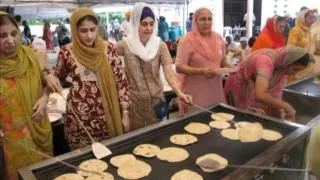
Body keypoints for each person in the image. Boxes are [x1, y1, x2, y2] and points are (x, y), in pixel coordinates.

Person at [45, 7, 130, 150]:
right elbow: (57, 77)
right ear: (74, 30)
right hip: (79, 122)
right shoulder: (67, 52)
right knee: (83, 164)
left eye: (92, 29)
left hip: (107, 118)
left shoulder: (108, 49)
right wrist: (49, 77)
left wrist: (125, 113)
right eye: (83, 31)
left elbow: (121, 82)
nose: (89, 36)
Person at [117, 3, 192, 130]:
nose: (149, 28)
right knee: (138, 142)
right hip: (135, 105)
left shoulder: (159, 45)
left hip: (157, 101)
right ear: (135, 24)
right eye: (144, 24)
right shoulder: (124, 45)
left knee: (159, 137)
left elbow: (170, 73)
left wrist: (179, 93)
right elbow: (116, 74)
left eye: (151, 24)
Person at [0, 11, 53, 180]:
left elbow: (46, 83)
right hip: (11, 141)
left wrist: (45, 98)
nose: (10, 40)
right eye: (2, 36)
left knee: (44, 173)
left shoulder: (29, 55)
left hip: (39, 129)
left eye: (14, 33)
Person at [224, 46, 311, 119]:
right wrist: (286, 106)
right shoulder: (265, 62)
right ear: (288, 61)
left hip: (249, 88)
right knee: (235, 118)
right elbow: (260, 95)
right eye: (295, 69)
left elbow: (276, 94)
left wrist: (280, 112)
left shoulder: (281, 67)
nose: (294, 73)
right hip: (237, 87)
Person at [175, 7, 232, 115]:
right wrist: (201, 71)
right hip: (196, 93)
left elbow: (223, 60)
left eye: (209, 19)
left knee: (218, 121)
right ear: (195, 21)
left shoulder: (218, 38)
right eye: (203, 19)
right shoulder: (187, 40)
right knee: (198, 123)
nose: (207, 22)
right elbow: (179, 67)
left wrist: (232, 68)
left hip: (216, 90)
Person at [286, 9, 318, 83]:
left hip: (307, 64)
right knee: (293, 86)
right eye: (310, 18)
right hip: (297, 64)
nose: (313, 20)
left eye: (313, 18)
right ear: (303, 18)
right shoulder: (296, 30)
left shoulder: (309, 31)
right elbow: (291, 49)